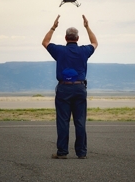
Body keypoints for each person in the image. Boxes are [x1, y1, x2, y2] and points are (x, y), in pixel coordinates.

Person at [42, 14, 98, 159]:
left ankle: (62, 152)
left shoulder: (59, 50)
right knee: (80, 121)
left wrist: (53, 27)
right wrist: (87, 26)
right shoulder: (84, 51)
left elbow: (45, 42)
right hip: (79, 89)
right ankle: (81, 153)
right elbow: (95, 42)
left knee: (63, 121)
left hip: (64, 89)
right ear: (77, 38)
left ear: (66, 38)